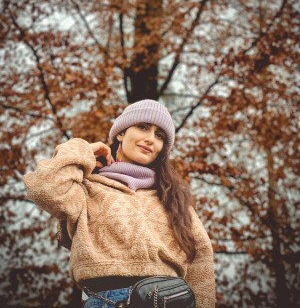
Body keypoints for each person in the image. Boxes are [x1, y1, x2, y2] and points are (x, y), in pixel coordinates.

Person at [23, 99, 215, 307]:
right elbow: (42, 187)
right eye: (143, 127)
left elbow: (201, 266)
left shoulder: (174, 201)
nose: (150, 139)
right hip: (106, 301)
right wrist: (85, 149)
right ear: (121, 133)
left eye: (159, 135)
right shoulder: (87, 189)